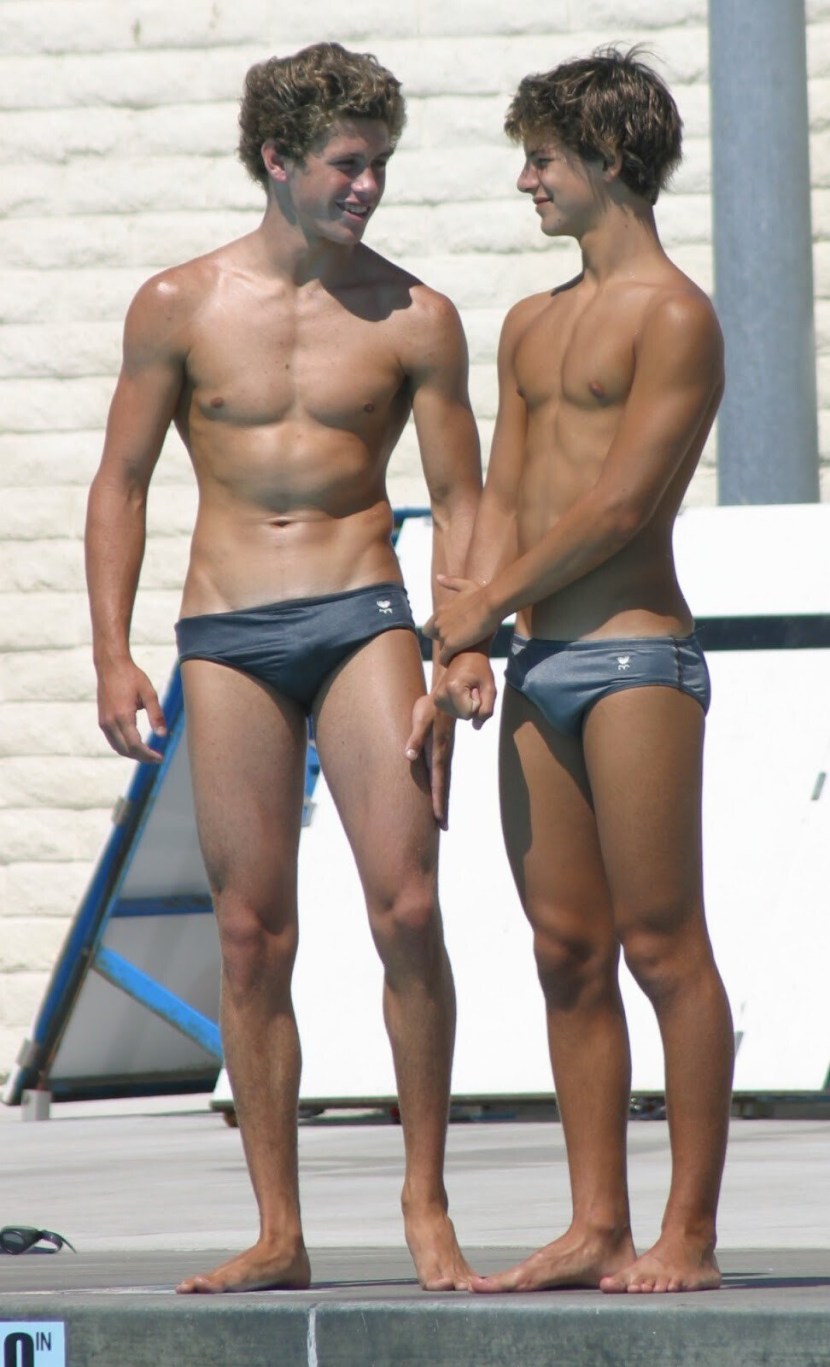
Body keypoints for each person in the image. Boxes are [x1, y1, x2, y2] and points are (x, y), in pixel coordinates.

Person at [85, 41, 481, 1294]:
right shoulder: (178, 304)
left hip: (363, 614)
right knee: (251, 934)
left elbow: (459, 497)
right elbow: (122, 481)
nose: (368, 186)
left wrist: (460, 640)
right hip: (229, 632)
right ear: (276, 158)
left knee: (406, 907)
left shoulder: (415, 315)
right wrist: (111, 651)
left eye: (379, 164)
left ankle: (425, 1200)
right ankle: (278, 1227)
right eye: (347, 163)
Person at [411, 47, 734, 1294]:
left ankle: (687, 1231)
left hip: (634, 655)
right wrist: (466, 637)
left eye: (540, 158)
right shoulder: (529, 322)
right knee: (564, 948)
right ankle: (596, 1219)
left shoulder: (674, 315)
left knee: (661, 944)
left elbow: (616, 506)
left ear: (606, 157)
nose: (524, 181)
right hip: (536, 658)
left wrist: (479, 602)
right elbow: (502, 491)